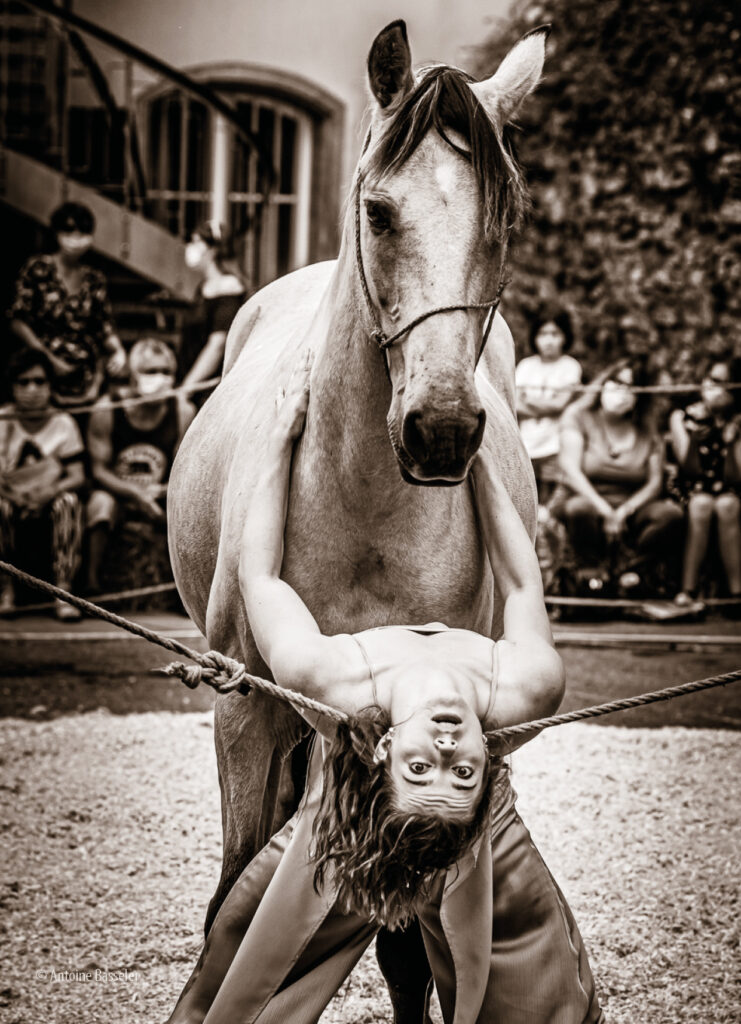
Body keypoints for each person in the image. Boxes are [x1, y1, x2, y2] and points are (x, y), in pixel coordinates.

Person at [166, 352, 604, 1024]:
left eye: (424, 765)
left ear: (387, 750)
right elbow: (520, 583)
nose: (451, 746)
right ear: (490, 765)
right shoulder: (526, 688)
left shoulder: (333, 678)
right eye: (464, 772)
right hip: (436, 794)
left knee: (266, 934)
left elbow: (262, 580)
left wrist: (279, 442)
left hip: (344, 781)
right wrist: (481, 461)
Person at [557, 357, 683, 593]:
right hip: (587, 499)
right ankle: (591, 574)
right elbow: (570, 469)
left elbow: (655, 482)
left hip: (633, 505)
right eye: (616, 382)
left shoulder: (647, 428)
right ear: (605, 382)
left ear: (639, 397)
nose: (620, 392)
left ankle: (632, 571)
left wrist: (624, 511)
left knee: (670, 515)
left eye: (630, 387)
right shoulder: (578, 415)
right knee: (579, 509)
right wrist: (604, 509)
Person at [85, 338, 195, 593]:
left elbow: (185, 470)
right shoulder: (107, 408)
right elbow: (98, 470)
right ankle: (91, 585)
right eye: (150, 371)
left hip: (160, 492)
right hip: (115, 492)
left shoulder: (182, 411)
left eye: (166, 372)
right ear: (132, 376)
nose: (160, 378)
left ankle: (181, 591)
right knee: (100, 505)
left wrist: (162, 491)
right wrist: (134, 494)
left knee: (186, 507)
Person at [8, 202, 127, 409]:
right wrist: (49, 359)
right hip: (42, 374)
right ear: (57, 233)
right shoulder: (38, 269)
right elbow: (18, 321)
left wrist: (118, 351)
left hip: (87, 378)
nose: (76, 239)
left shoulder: (93, 278)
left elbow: (103, 326)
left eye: (83, 232)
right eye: (70, 231)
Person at [0, 349, 84, 619]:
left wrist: (48, 493)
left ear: (50, 386)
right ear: (12, 387)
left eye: (39, 381)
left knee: (68, 503)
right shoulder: (2, 421)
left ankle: (63, 590)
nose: (32, 389)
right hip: (11, 497)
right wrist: (15, 497)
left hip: (49, 497)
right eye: (23, 382)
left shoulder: (63, 424)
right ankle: (5, 589)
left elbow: (77, 475)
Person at [670, 358, 741, 605]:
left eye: (720, 382)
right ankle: (687, 590)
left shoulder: (738, 421)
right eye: (710, 378)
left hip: (729, 490)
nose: (711, 385)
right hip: (691, 488)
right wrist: (696, 437)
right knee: (701, 504)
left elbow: (736, 476)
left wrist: (731, 441)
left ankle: (735, 593)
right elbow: (688, 470)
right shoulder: (683, 416)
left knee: (726, 505)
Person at [515, 306, 581, 506]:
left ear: (565, 336)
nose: (549, 340)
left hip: (554, 447)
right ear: (535, 337)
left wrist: (529, 400)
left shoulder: (570, 366)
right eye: (543, 334)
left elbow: (560, 404)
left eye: (555, 334)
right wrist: (548, 404)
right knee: (524, 500)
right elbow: (514, 404)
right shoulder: (525, 366)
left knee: (548, 504)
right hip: (525, 446)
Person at [179, 221, 246, 402]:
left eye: (196, 241)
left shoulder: (228, 287)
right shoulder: (204, 287)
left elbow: (217, 345)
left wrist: (187, 388)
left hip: (209, 394)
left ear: (213, 250)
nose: (190, 247)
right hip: (195, 387)